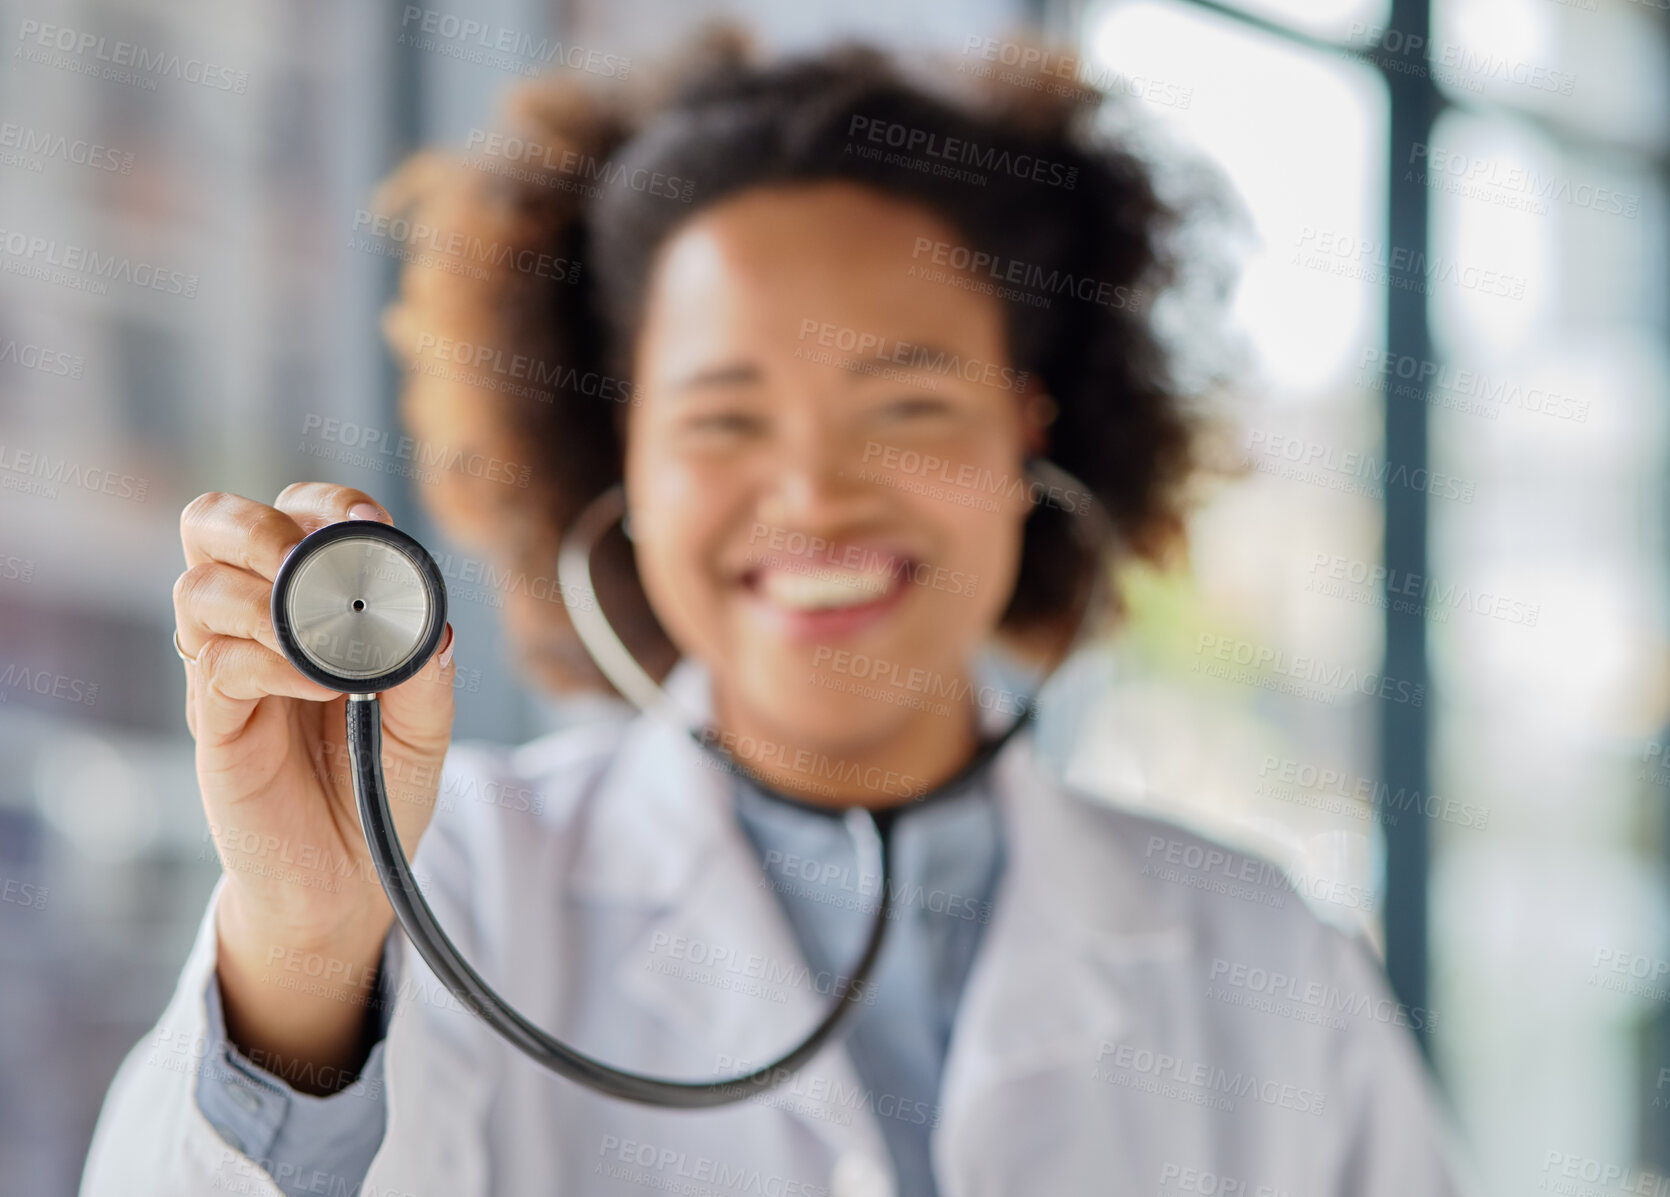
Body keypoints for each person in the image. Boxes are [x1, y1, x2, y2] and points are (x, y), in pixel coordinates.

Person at [80, 32, 1466, 1197]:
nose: (814, 493)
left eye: (907, 406)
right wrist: (307, 944)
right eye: (723, 416)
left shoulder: (1264, 958)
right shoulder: (457, 894)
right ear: (617, 462)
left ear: (1025, 443)